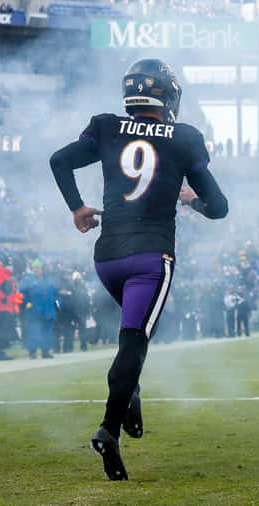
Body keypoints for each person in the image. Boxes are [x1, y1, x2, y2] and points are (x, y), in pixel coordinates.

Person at [50, 58, 228, 481]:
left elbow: (59, 160)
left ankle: (130, 394)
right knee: (135, 341)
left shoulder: (106, 125)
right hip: (151, 256)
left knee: (133, 340)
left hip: (107, 256)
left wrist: (77, 208)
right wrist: (189, 200)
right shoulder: (184, 137)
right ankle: (110, 430)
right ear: (168, 95)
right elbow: (219, 208)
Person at [19, 259, 60, 359]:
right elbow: (21, 294)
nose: (36, 270)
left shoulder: (49, 279)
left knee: (47, 333)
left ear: (42, 268)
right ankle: (32, 352)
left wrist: (59, 303)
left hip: (49, 311)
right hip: (34, 312)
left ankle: (45, 351)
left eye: (38, 268)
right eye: (34, 268)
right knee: (34, 332)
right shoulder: (27, 280)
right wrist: (27, 303)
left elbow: (56, 293)